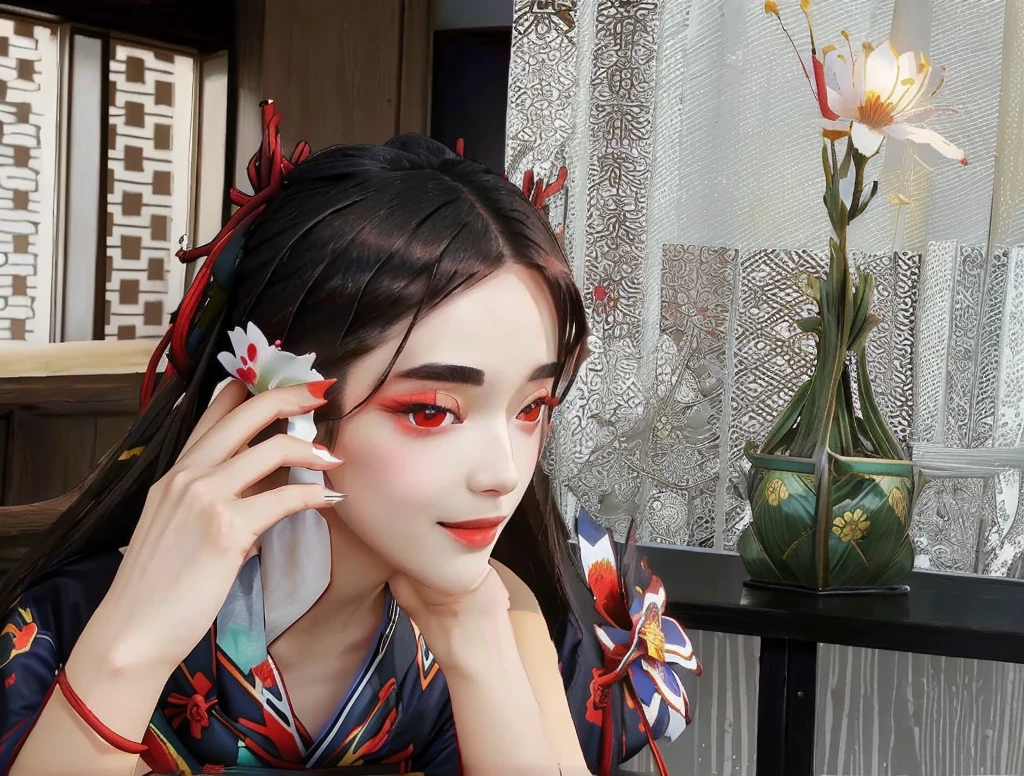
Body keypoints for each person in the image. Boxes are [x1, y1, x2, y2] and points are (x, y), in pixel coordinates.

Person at [0, 101, 699, 776]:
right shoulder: (82, 616)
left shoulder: (500, 609)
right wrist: (134, 638)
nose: (502, 473)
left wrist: (479, 648)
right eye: (430, 411)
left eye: (531, 407)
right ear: (274, 395)